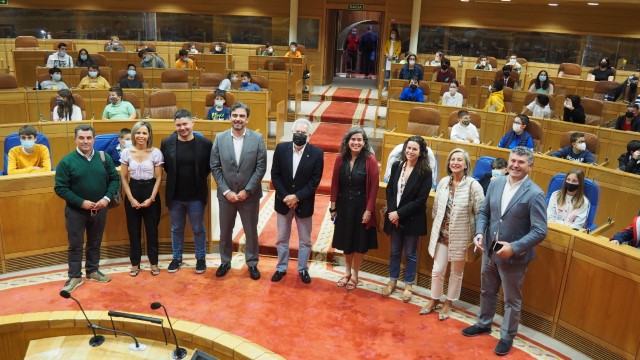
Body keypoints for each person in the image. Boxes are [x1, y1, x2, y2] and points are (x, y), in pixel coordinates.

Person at [462, 146, 547, 356]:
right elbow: (484, 212)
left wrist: (515, 247)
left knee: (511, 300)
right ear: (508, 161)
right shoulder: (496, 182)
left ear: (530, 166)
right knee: (487, 290)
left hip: (514, 258)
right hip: (490, 250)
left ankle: (507, 336)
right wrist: (480, 233)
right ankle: (484, 323)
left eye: (521, 162)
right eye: (513, 160)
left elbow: (540, 231)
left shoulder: (535, 193)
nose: (516, 165)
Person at [54, 124, 120, 293]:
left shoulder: (104, 157)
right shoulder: (66, 162)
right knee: (75, 244)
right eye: (81, 138)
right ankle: (75, 276)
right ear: (75, 139)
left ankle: (92, 270)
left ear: (94, 139)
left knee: (95, 242)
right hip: (76, 211)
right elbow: (60, 188)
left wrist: (106, 199)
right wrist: (81, 202)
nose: (85, 141)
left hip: (100, 208)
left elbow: (114, 179)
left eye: (89, 138)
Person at [420, 148, 484, 319]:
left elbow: (480, 212)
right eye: (452, 159)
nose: (455, 162)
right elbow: (435, 208)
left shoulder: (473, 185)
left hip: (461, 237)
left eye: (459, 160)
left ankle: (448, 302)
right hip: (442, 235)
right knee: (438, 269)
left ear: (466, 164)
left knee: (456, 272)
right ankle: (434, 299)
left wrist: (478, 234)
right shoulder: (443, 182)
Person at [210, 102, 267, 280]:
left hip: (249, 196)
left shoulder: (257, 138)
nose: (238, 119)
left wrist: (247, 191)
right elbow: (215, 166)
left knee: (250, 231)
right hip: (226, 196)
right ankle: (225, 261)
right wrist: (226, 190)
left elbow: (261, 167)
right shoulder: (220, 138)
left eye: (242, 116)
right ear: (230, 117)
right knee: (225, 231)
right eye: (235, 116)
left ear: (247, 119)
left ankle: (252, 263)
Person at [270, 118, 324, 284]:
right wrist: (287, 196)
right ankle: (281, 267)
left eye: (303, 133)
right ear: (292, 132)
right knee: (282, 238)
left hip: (304, 203)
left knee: (305, 240)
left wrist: (297, 197)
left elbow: (315, 181)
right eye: (297, 132)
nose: (299, 135)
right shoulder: (281, 148)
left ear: (308, 135)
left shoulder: (316, 153)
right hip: (283, 201)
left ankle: (303, 269)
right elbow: (275, 175)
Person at [160, 110, 213, 274]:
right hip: (175, 195)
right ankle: (176, 258)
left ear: (192, 123)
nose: (182, 128)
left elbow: (208, 168)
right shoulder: (167, 142)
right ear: (175, 126)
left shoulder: (205, 143)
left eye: (185, 124)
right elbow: (167, 167)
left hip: (196, 195)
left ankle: (201, 258)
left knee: (198, 228)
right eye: (178, 125)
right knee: (176, 228)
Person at [382, 136, 432, 302]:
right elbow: (390, 190)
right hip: (394, 216)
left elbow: (420, 200)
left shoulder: (425, 172)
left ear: (421, 152)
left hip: (412, 219)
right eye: (408, 148)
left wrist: (399, 214)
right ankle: (392, 280)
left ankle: (408, 284)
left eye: (414, 149)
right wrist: (392, 212)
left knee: (410, 253)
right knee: (394, 251)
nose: (410, 151)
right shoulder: (397, 165)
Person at [330, 128, 379, 291]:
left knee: (359, 242)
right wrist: (333, 207)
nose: (356, 143)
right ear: (347, 141)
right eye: (353, 139)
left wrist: (369, 210)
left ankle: (356, 274)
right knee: (346, 241)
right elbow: (335, 183)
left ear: (364, 143)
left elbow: (374, 188)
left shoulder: (370, 160)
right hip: (344, 206)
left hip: (361, 206)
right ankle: (347, 272)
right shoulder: (340, 158)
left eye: (359, 140)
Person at [120, 121, 163, 277]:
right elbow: (124, 178)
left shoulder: (156, 152)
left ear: (149, 135)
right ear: (133, 134)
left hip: (150, 191)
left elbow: (159, 178)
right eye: (138, 133)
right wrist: (130, 198)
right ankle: (135, 263)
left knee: (152, 231)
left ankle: (154, 263)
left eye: (144, 133)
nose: (141, 136)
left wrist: (151, 198)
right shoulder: (126, 152)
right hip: (133, 190)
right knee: (133, 230)